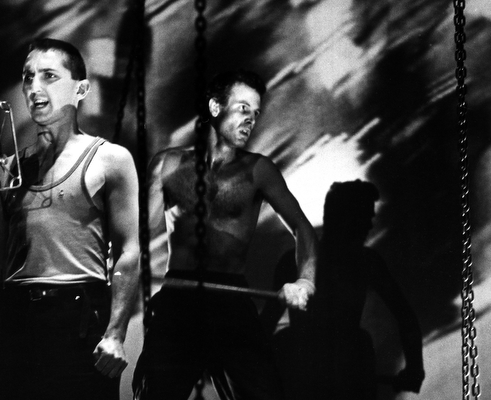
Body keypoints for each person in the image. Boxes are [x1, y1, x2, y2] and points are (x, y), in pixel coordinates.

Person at [0, 38, 140, 400]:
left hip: (78, 321)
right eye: (28, 77)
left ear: (81, 89)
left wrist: (115, 333)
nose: (34, 87)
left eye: (49, 76)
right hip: (16, 323)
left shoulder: (110, 160)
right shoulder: (10, 171)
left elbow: (129, 252)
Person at [132, 70, 318, 400]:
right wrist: (116, 256)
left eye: (256, 113)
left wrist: (305, 281)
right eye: (243, 108)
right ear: (215, 107)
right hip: (179, 298)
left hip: (231, 300)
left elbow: (302, 228)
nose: (251, 120)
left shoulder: (259, 170)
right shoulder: (168, 164)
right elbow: (138, 235)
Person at [262, 180, 425, 399]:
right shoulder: (366, 262)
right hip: (320, 374)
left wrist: (415, 368)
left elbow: (265, 326)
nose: (369, 226)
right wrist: (414, 369)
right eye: (365, 217)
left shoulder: (364, 262)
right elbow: (406, 317)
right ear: (345, 218)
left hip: (321, 373)